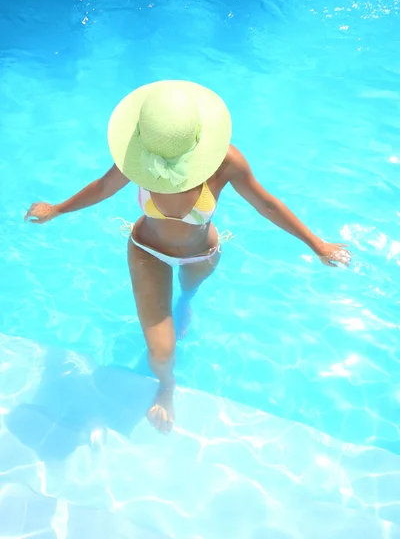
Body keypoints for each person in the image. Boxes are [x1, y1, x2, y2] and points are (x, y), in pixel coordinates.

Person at [25, 80, 350, 434]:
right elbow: (103, 187)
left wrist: (317, 244)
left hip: (201, 255)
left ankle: (188, 300)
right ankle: (167, 385)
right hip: (147, 253)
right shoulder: (139, 156)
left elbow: (267, 205)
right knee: (162, 353)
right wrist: (56, 210)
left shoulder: (226, 162)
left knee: (188, 293)